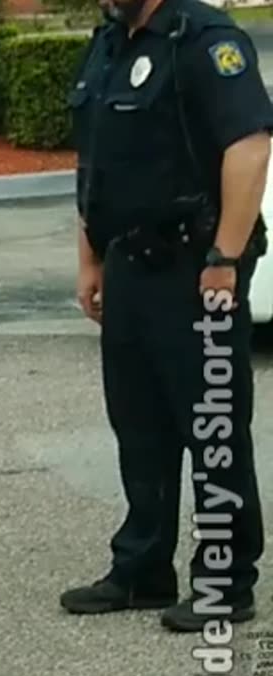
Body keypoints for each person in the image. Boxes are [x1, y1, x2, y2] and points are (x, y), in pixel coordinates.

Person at [62, 0, 273, 632]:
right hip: (128, 263)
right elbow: (92, 164)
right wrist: (90, 260)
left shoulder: (205, 39)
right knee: (140, 426)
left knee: (211, 425)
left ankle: (226, 581)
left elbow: (250, 144)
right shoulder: (107, 44)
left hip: (194, 265)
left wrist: (225, 259)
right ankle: (143, 570)